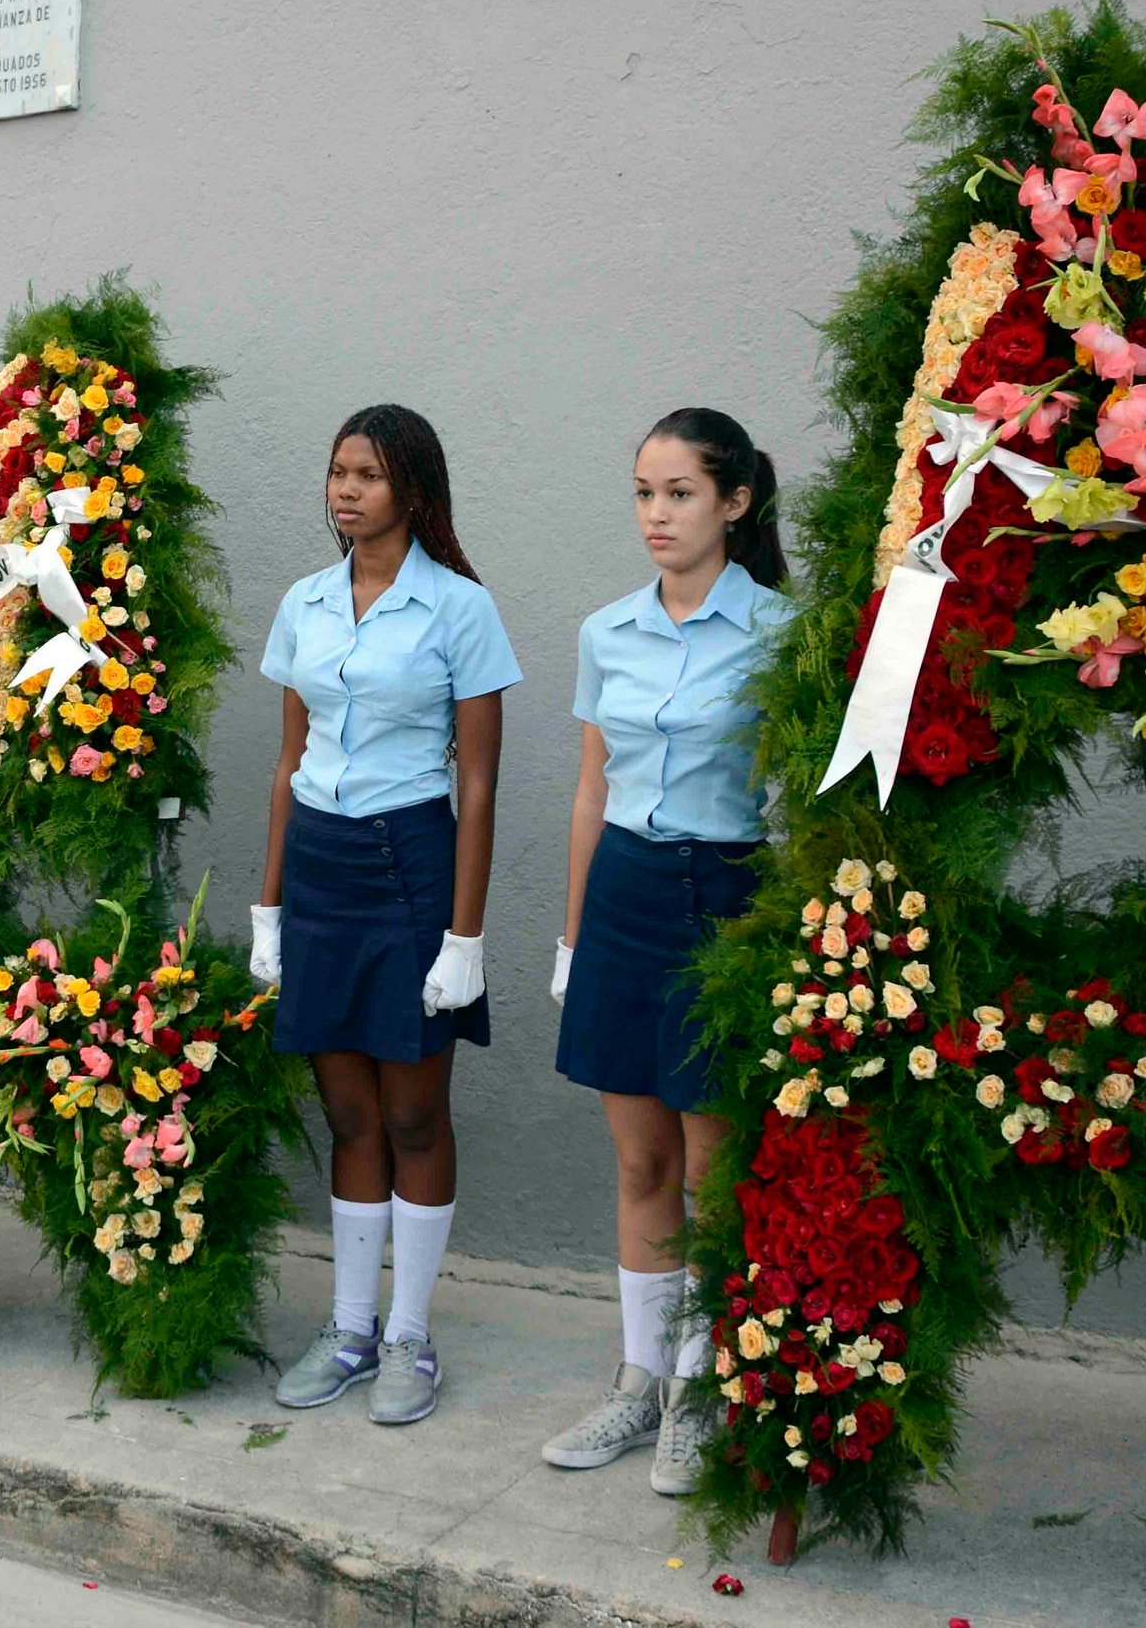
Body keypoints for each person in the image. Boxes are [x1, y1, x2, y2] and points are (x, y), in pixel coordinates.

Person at [539, 407, 794, 1496]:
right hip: (626, 897)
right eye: (644, 492)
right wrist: (572, 935)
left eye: (680, 492)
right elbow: (591, 788)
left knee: (710, 1168)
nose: (657, 513)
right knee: (640, 1161)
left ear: (735, 502)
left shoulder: (784, 633)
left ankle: (703, 1388)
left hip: (726, 899)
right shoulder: (608, 630)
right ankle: (639, 1380)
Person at [253, 404, 520, 1426]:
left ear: (412, 487)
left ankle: (409, 1333)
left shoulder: (459, 608)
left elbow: (479, 784)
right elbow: (289, 761)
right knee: (350, 1115)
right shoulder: (306, 602)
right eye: (338, 472)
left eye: (367, 474)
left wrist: (466, 936)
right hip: (321, 868)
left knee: (413, 1113)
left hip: (411, 863)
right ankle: (351, 1328)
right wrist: (269, 907)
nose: (347, 490)